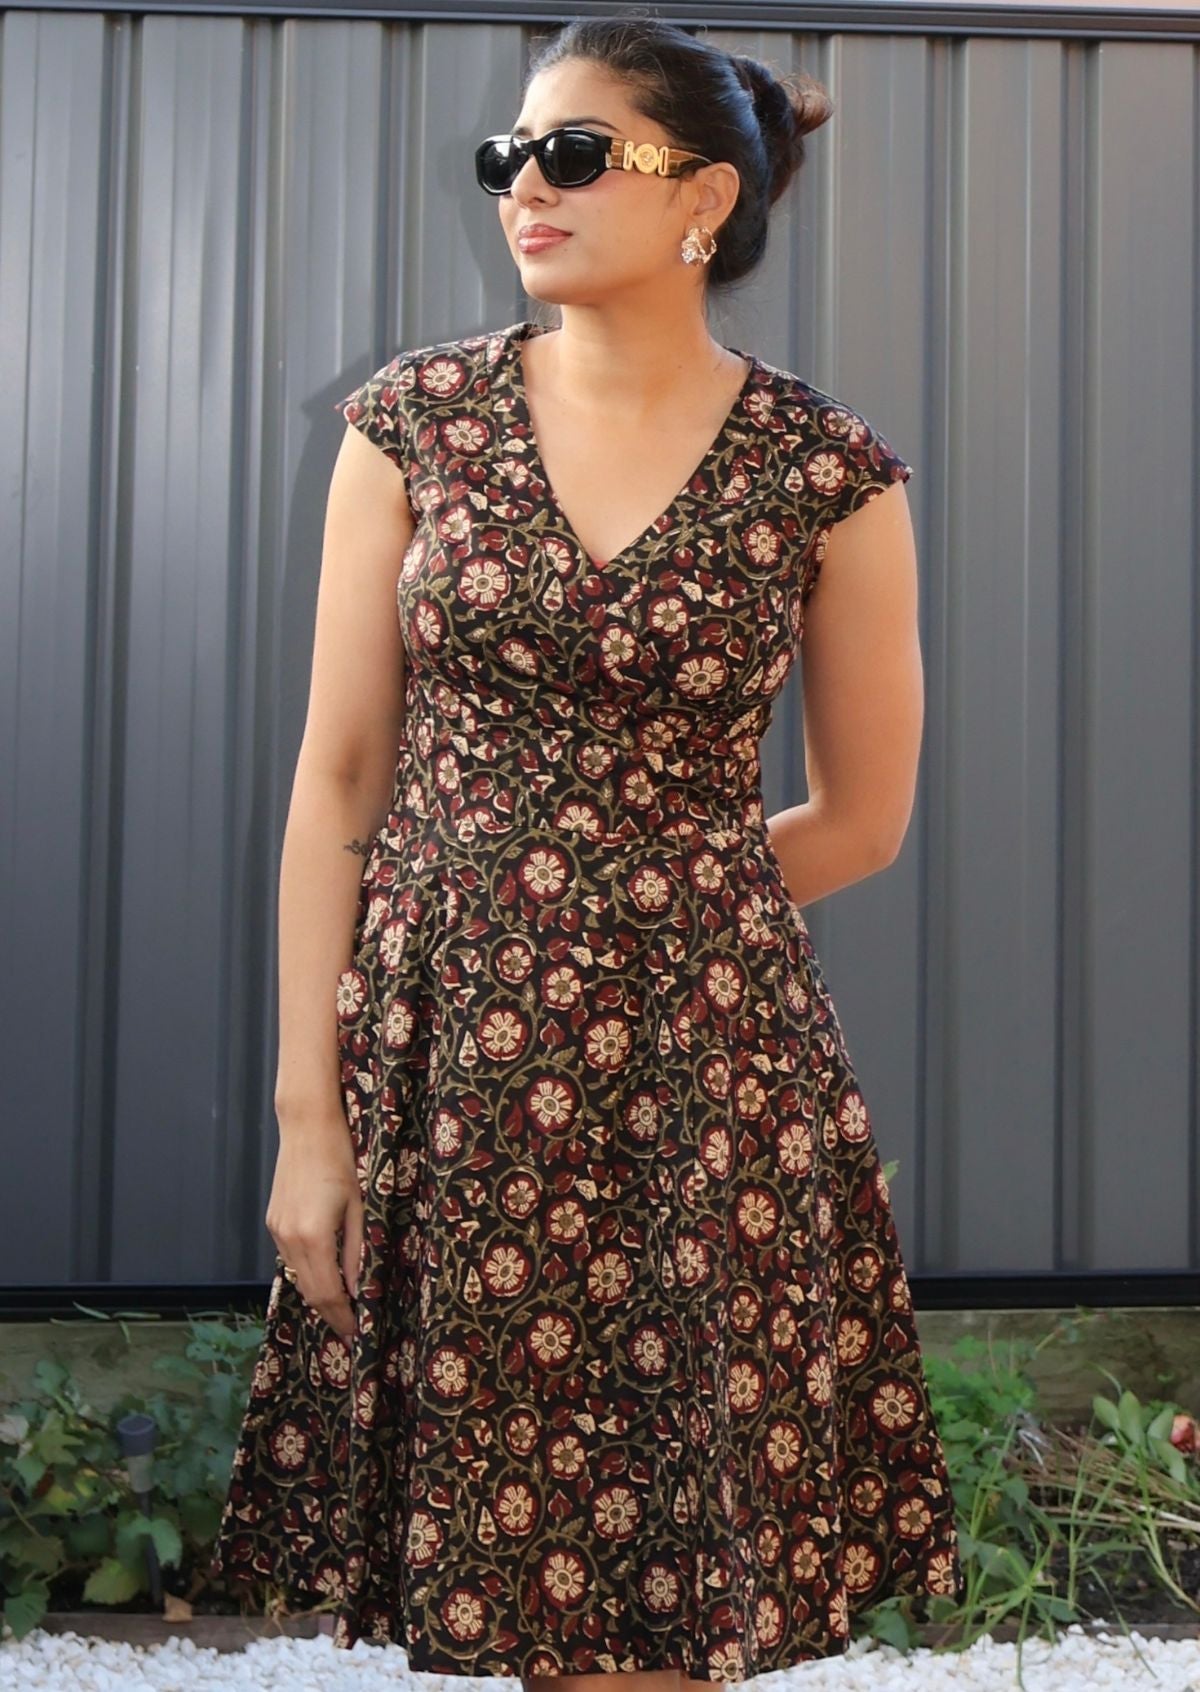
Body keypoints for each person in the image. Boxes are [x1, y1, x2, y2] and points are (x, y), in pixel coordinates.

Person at [209, 13, 965, 1686]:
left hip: (700, 1081)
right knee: (527, 1588)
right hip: (449, 1066)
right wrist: (307, 1116)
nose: (522, 189)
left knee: (669, 1596)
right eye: (508, 159)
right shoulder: (415, 426)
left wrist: (650, 919)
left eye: (570, 155)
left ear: (701, 196)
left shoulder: (824, 477)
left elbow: (862, 818)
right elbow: (338, 784)